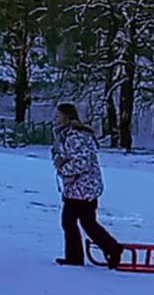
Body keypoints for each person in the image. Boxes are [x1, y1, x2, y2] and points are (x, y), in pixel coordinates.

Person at [51, 103, 123, 268]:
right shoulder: (68, 135)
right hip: (81, 187)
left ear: (67, 117)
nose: (55, 120)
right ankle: (110, 248)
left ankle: (80, 256)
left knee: (70, 221)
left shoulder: (76, 136)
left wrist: (62, 168)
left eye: (58, 116)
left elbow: (82, 163)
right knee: (86, 222)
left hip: (83, 188)